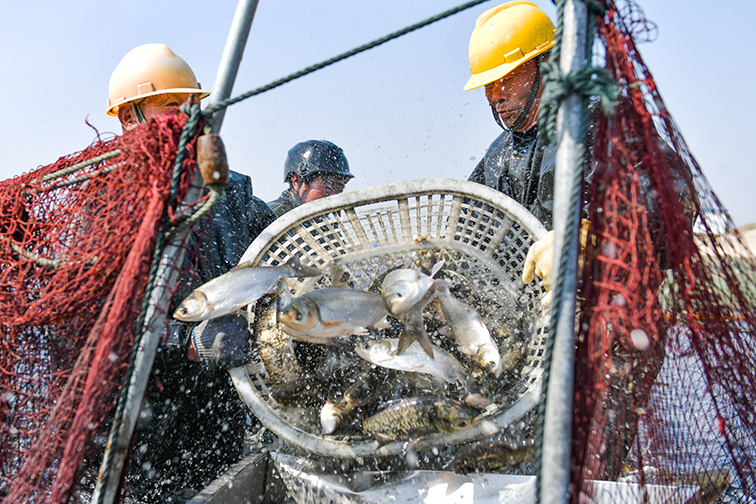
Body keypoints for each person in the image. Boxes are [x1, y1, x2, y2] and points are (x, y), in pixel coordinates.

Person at [463, 1, 697, 481]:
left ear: (545, 65)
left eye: (507, 78)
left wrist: (590, 238)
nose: (495, 95)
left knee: (585, 471)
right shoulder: (498, 157)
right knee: (521, 465)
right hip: (536, 341)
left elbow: (675, 204)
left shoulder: (606, 121)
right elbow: (469, 237)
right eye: (489, 85)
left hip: (612, 333)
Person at [106, 43, 276, 502]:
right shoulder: (110, 207)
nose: (190, 118)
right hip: (149, 426)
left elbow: (278, 247)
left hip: (222, 412)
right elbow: (98, 330)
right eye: (173, 107)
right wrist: (188, 345)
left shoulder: (231, 191)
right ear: (129, 118)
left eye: (194, 105)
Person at [267, 139, 354, 217]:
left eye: (339, 188)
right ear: (296, 181)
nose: (333, 197)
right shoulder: (273, 217)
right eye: (327, 187)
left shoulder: (328, 224)